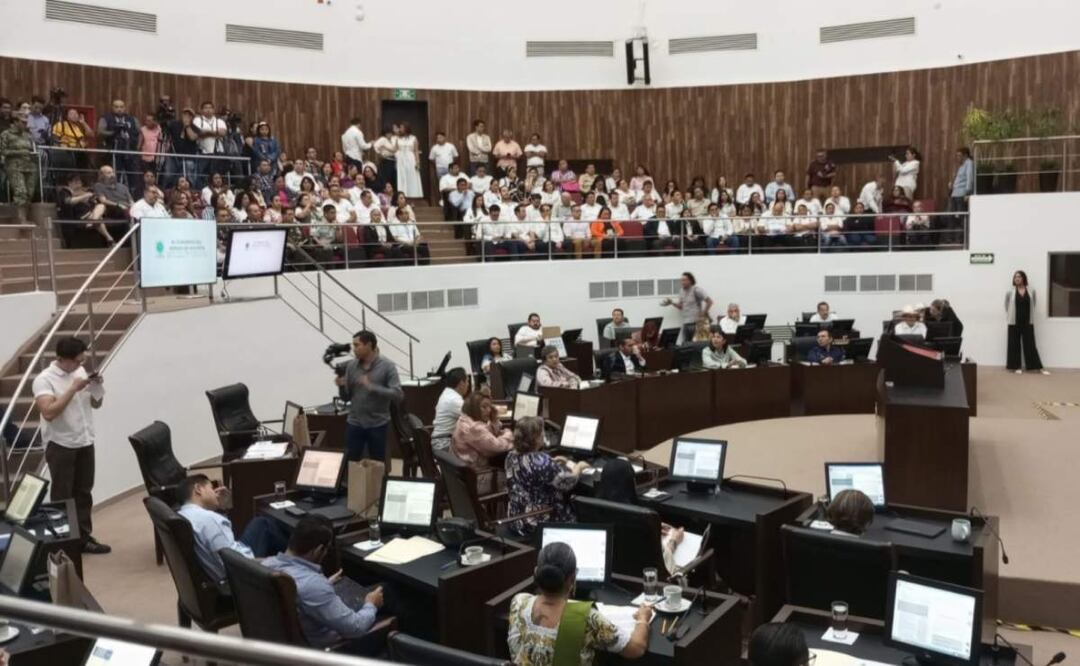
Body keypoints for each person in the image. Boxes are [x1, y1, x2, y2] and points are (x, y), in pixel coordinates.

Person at [509, 540, 651, 665]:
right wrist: (643, 619)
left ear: (536, 572)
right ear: (573, 578)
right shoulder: (587, 618)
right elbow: (636, 648)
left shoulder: (519, 602)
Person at [32, 337, 110, 554]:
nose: (80, 364)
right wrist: (73, 389)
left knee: (84, 492)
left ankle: (84, 539)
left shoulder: (80, 372)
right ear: (62, 359)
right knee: (63, 496)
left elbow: (96, 404)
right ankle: (63, 544)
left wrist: (97, 387)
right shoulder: (44, 380)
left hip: (85, 440)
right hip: (61, 444)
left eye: (82, 360)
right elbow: (49, 412)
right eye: (76, 361)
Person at [262, 515, 385, 652]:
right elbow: (355, 628)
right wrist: (371, 604)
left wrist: (324, 584)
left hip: (277, 643)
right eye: (327, 549)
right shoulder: (313, 585)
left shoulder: (267, 564)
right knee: (388, 593)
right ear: (319, 550)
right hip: (327, 649)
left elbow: (301, 590)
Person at [177, 474, 288, 583]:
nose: (215, 493)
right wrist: (274, 561)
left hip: (230, 559)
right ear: (198, 489)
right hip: (240, 575)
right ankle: (295, 559)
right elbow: (234, 566)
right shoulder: (210, 520)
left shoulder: (182, 514)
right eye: (211, 488)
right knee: (268, 526)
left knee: (261, 523)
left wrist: (222, 506)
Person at [595, 459, 684, 574]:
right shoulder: (639, 521)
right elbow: (663, 564)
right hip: (646, 582)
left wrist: (654, 526)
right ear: (631, 484)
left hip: (611, 578)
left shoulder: (592, 511)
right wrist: (674, 541)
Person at [505, 417, 588, 535]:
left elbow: (532, 470)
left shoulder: (510, 456)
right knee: (580, 509)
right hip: (537, 520)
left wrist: (552, 462)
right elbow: (567, 483)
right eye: (542, 432)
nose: (544, 435)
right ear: (535, 438)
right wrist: (578, 467)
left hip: (515, 518)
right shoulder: (542, 461)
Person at [335, 331, 403, 462]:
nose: (354, 349)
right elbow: (346, 398)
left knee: (378, 465)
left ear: (369, 345)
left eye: (357, 345)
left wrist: (373, 387)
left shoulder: (387, 366)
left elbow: (398, 394)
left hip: (378, 424)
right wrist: (341, 386)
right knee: (350, 464)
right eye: (353, 345)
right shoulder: (351, 366)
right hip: (354, 423)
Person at [452, 392, 513, 469]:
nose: (489, 410)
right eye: (484, 407)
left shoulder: (464, 419)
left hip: (467, 471)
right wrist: (509, 433)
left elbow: (488, 434)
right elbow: (498, 447)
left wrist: (494, 420)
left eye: (490, 407)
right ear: (474, 408)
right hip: (479, 473)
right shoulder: (474, 428)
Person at [1005, 270, 1049, 375]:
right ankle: (1016, 367)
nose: (1017, 279)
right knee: (1014, 344)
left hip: (1027, 322)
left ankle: (1035, 366)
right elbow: (1006, 305)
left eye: (1019, 277)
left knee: (1030, 344)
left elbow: (1033, 303)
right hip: (1014, 322)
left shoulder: (1031, 291)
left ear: (1024, 278)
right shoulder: (1010, 292)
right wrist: (1011, 314)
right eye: (1015, 277)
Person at [0, 110, 38, 220]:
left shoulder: (28, 135)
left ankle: (22, 215)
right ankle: (21, 219)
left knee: (29, 193)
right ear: (16, 122)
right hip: (14, 166)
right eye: (23, 122)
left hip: (29, 166)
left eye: (26, 122)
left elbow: (31, 149)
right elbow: (3, 151)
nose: (25, 124)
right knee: (21, 192)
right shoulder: (6, 134)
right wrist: (19, 152)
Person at [661, 272, 713, 342]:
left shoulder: (696, 290)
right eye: (681, 280)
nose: (682, 282)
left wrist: (703, 314)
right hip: (686, 323)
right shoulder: (681, 291)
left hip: (697, 323)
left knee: (698, 344)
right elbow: (681, 306)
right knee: (686, 345)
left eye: (684, 280)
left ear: (690, 281)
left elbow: (709, 302)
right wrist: (671, 303)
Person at [97, 99, 140, 182]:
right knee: (115, 174)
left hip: (130, 151)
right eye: (116, 107)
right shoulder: (106, 118)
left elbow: (140, 132)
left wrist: (137, 146)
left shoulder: (132, 119)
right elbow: (100, 132)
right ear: (112, 107)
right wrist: (113, 133)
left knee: (133, 176)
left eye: (121, 107)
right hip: (114, 151)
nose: (119, 109)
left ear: (125, 108)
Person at [430, 368, 469, 451]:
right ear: (461, 383)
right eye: (467, 381)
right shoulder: (453, 400)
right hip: (445, 444)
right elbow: (474, 416)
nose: (468, 385)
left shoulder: (447, 393)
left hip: (441, 441)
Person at [948, 147, 975, 244]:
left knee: (960, 217)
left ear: (965, 155)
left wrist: (968, 193)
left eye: (959, 155)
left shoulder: (969, 163)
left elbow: (969, 178)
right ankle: (951, 238)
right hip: (954, 193)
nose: (957, 158)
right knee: (951, 216)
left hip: (961, 194)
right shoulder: (961, 166)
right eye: (957, 156)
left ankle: (960, 239)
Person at [395, 123, 423, 198]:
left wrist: (417, 162)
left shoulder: (413, 138)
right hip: (401, 159)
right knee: (402, 177)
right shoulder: (398, 138)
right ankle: (403, 195)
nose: (400, 129)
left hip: (410, 158)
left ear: (406, 128)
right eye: (399, 128)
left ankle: (413, 195)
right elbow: (396, 150)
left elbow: (416, 151)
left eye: (401, 127)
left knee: (412, 177)